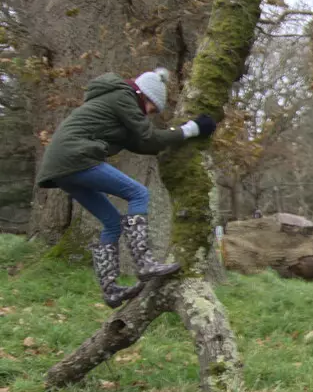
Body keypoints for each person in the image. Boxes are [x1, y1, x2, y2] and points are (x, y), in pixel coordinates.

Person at [34, 68, 217, 306]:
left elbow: (147, 144)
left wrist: (183, 134)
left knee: (111, 221)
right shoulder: (124, 96)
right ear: (143, 95)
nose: (151, 113)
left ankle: (111, 290)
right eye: (152, 106)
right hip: (76, 158)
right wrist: (191, 129)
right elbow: (149, 137)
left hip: (62, 167)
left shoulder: (116, 105)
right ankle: (145, 262)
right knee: (138, 193)